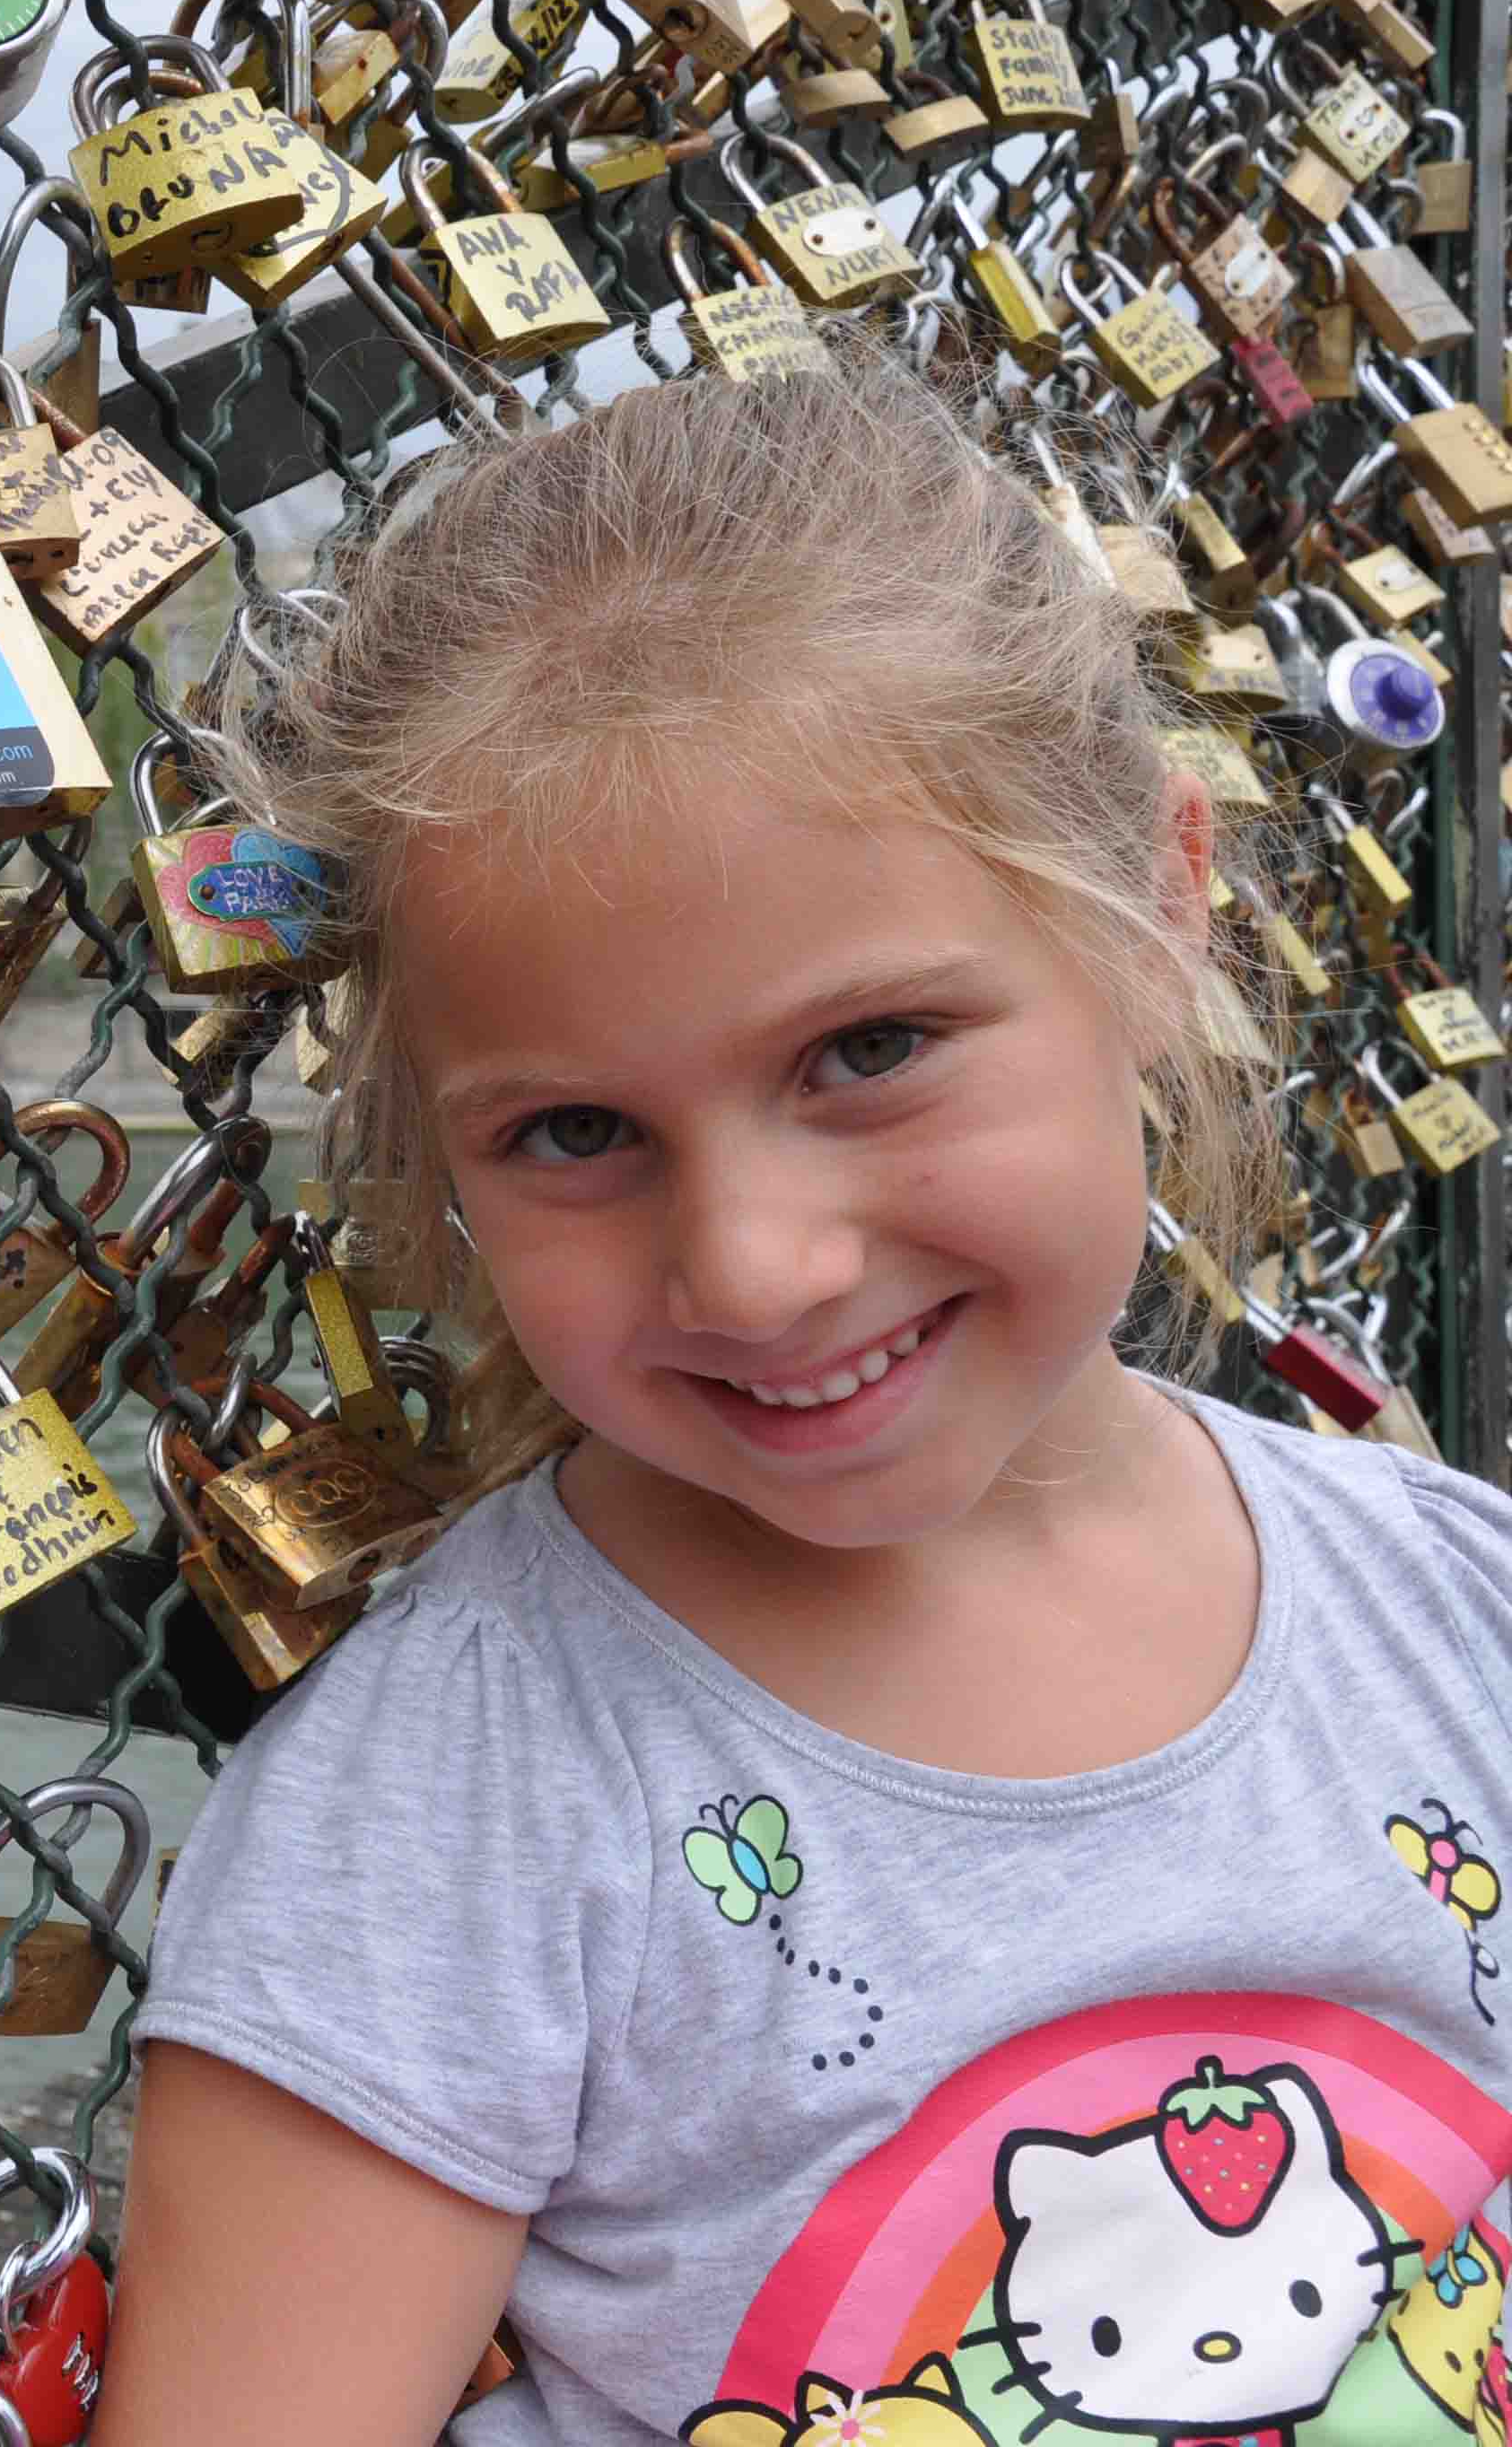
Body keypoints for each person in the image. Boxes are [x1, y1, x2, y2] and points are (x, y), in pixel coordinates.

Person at [97, 350, 1512, 2447]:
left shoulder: (1455, 1608)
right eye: (573, 1130)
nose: (753, 1267)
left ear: (1157, 907)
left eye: (864, 1050)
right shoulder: (452, 1813)